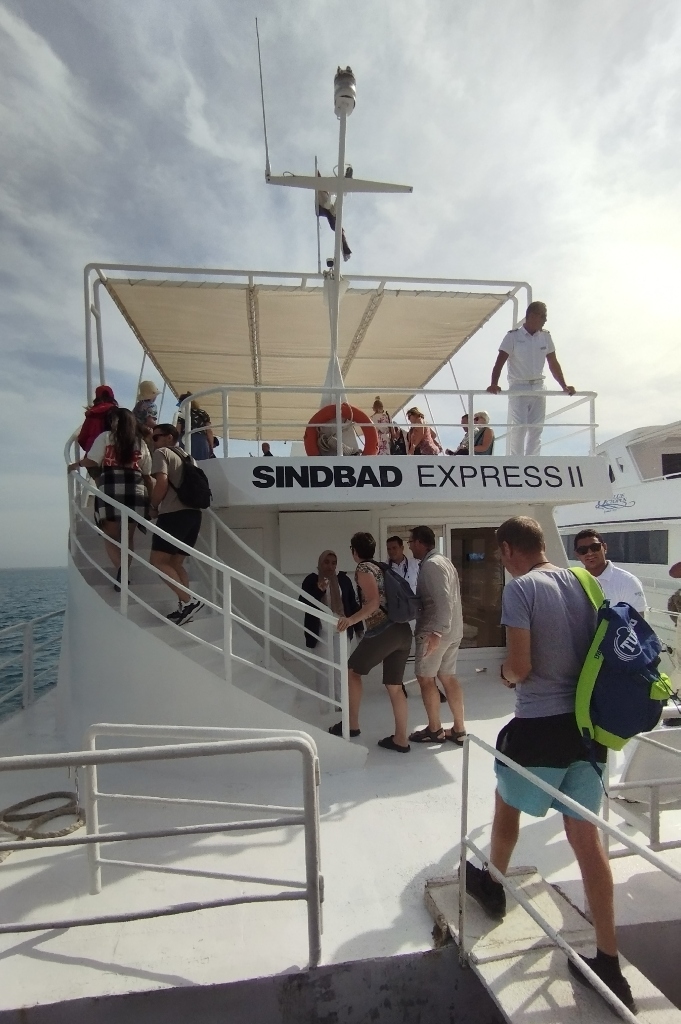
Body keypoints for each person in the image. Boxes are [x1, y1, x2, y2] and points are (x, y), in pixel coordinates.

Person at [465, 516, 635, 1013]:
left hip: (539, 725)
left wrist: (502, 673)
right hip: (588, 729)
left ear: (507, 549)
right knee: (586, 838)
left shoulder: (520, 589)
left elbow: (521, 667)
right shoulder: (584, 581)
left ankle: (492, 885)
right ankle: (608, 960)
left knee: (506, 803)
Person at [329, 532, 413, 752]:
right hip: (402, 631)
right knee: (395, 687)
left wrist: (351, 620)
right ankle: (401, 739)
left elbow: (373, 603)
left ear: (354, 551)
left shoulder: (364, 568)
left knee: (352, 671)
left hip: (384, 631)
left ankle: (352, 724)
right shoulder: (380, 567)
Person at [69, 408, 152, 589]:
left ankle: (122, 572)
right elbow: (147, 472)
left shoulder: (106, 437)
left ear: (116, 421)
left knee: (110, 535)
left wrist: (76, 464)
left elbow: (92, 460)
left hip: (111, 487)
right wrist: (152, 502)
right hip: (135, 489)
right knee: (128, 537)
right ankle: (125, 571)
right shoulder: (140, 442)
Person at [487, 301, 575, 456]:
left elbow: (553, 363)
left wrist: (564, 386)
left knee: (536, 428)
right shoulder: (513, 337)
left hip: (539, 387)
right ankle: (517, 460)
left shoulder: (545, 337)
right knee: (520, 427)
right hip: (518, 387)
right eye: (543, 317)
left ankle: (532, 460)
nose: (545, 320)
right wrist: (494, 383)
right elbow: (499, 362)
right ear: (533, 316)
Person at [407, 526, 466, 745]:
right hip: (453, 630)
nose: (410, 546)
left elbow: (443, 599)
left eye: (411, 542)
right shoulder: (444, 561)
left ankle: (435, 730)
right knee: (448, 677)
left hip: (435, 633)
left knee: (425, 678)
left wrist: (437, 632)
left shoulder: (432, 565)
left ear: (420, 542)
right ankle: (459, 729)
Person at [149, 423, 204, 626]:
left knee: (157, 561)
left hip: (173, 514)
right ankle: (185, 608)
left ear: (170, 437)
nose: (153, 441)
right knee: (175, 563)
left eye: (156, 437)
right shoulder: (190, 458)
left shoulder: (162, 453)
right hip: (194, 515)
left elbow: (162, 483)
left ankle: (190, 601)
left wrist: (153, 506)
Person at [574, 529, 647, 615]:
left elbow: (638, 620)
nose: (590, 553)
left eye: (595, 547)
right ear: (577, 554)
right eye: (583, 550)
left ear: (605, 547)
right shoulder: (574, 583)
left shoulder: (628, 581)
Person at [300, 550, 362, 648]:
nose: (330, 566)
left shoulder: (343, 579)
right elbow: (303, 602)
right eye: (326, 562)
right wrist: (319, 590)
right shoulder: (312, 579)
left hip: (341, 626)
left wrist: (359, 628)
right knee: (323, 658)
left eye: (333, 563)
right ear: (321, 562)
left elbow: (352, 604)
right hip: (320, 629)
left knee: (342, 657)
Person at [77, 384, 119, 456]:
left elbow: (82, 438)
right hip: (114, 454)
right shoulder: (120, 413)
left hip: (93, 452)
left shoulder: (92, 414)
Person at [176, 392, 215, 462]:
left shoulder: (182, 414)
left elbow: (177, 431)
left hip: (185, 439)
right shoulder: (202, 413)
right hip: (201, 441)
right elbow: (209, 431)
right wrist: (211, 446)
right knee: (202, 463)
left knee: (186, 463)